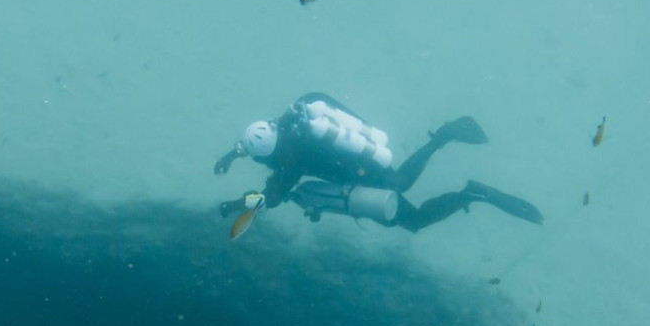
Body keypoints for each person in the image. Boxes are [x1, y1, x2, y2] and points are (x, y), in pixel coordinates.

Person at [214, 92, 544, 232]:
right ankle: (442, 141)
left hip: (363, 171)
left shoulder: (289, 162)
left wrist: (235, 204)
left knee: (411, 217)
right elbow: (253, 142)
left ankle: (467, 187)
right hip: (358, 158)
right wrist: (232, 154)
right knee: (402, 189)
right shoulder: (290, 120)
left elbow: (270, 199)